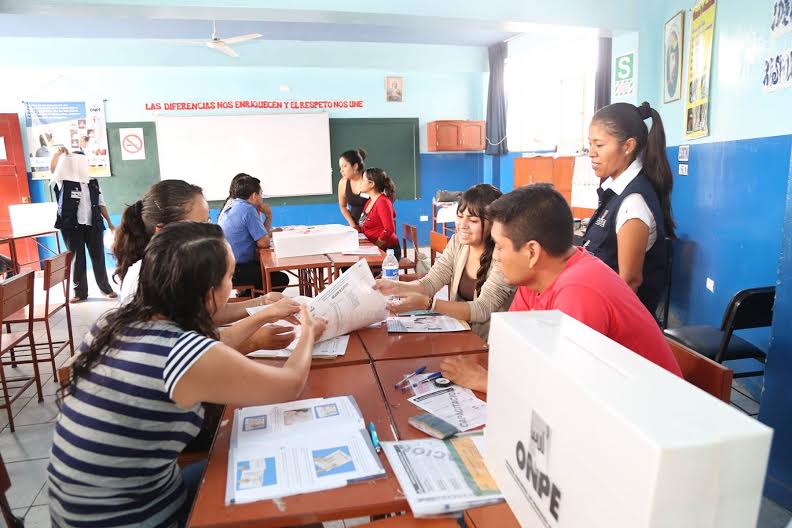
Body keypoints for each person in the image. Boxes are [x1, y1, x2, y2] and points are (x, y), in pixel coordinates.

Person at [48, 221, 321, 528]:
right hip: (133, 518)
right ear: (207, 294)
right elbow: (288, 385)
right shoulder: (182, 353)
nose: (232, 285)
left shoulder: (116, 321)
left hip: (90, 509)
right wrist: (309, 331)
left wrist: (262, 310)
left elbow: (214, 341)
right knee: (297, 506)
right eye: (230, 277)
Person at [440, 185, 682, 393]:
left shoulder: (580, 291)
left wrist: (483, 380)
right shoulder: (533, 279)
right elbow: (512, 350)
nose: (497, 257)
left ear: (532, 252)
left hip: (649, 420)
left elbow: (564, 390)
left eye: (500, 247)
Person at [113, 179, 297, 351]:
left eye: (208, 221)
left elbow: (202, 316)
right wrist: (254, 338)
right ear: (163, 231)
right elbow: (187, 350)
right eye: (199, 225)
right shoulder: (150, 277)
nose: (211, 231)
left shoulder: (176, 266)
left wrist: (262, 302)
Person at [374, 184, 515, 339]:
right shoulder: (457, 243)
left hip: (490, 343)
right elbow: (430, 282)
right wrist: (395, 286)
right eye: (460, 217)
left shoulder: (503, 256)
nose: (462, 225)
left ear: (495, 224)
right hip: (460, 335)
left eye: (473, 220)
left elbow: (482, 309)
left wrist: (429, 304)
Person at [583, 101, 675, 315]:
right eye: (590, 144)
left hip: (620, 327)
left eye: (600, 145)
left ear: (628, 146)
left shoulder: (633, 202)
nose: (591, 153)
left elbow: (629, 282)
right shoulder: (614, 192)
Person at [50, 145, 117, 302]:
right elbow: (53, 170)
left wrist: (109, 222)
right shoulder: (63, 181)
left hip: (93, 224)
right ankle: (80, 292)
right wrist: (58, 155)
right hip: (71, 226)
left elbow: (101, 203)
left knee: (98, 257)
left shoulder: (93, 182)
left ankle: (105, 289)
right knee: (77, 258)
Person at [218, 175, 289, 293]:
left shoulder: (233, 204)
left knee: (265, 270)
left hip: (225, 267)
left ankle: (247, 295)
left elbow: (262, 235)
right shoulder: (247, 209)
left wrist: (268, 216)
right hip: (236, 270)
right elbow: (264, 243)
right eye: (261, 194)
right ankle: (252, 304)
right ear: (254, 196)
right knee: (280, 279)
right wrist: (269, 215)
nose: (262, 197)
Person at [357, 168, 400, 258]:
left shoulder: (382, 202)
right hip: (372, 247)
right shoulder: (370, 201)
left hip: (386, 251)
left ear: (372, 184)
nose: (360, 182)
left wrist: (375, 247)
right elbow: (363, 225)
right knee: (347, 264)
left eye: (363, 180)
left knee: (348, 265)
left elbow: (389, 230)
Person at [337, 148, 369, 227]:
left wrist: (362, 223)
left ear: (355, 166)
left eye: (344, 166)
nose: (341, 170)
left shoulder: (369, 179)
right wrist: (353, 225)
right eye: (340, 167)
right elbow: (343, 206)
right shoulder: (343, 183)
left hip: (373, 226)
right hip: (356, 226)